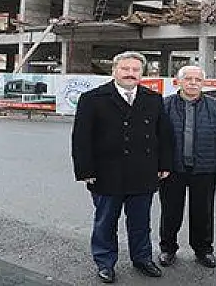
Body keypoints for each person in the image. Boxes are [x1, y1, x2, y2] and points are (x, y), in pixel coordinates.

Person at [71, 51, 173, 284]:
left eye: (135, 70)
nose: (130, 73)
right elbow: (81, 138)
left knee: (140, 223)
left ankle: (142, 259)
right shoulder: (93, 98)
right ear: (114, 71)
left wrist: (165, 164)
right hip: (106, 174)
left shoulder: (153, 98)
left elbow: (164, 135)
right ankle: (105, 263)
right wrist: (85, 171)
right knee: (105, 223)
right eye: (125, 69)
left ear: (142, 73)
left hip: (143, 172)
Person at [158, 65, 216, 269]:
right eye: (188, 79)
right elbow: (155, 139)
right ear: (179, 81)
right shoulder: (164, 105)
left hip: (205, 169)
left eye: (197, 80)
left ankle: (203, 250)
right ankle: (168, 248)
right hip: (172, 169)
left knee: (203, 212)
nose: (193, 83)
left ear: (203, 83)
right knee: (170, 212)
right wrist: (159, 165)